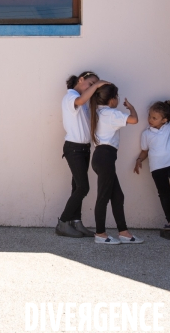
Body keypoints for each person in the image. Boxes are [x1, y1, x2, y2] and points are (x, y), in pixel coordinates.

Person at [56, 71, 109, 238]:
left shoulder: (84, 100)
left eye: (94, 85)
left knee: (76, 187)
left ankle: (76, 222)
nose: (92, 87)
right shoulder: (71, 96)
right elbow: (80, 100)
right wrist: (98, 86)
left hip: (84, 148)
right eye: (90, 83)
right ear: (81, 80)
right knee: (83, 187)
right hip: (74, 149)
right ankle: (63, 223)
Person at [89, 83, 142, 244]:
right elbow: (134, 120)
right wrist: (131, 108)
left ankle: (123, 232)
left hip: (101, 157)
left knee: (117, 196)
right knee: (103, 197)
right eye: (117, 97)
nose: (118, 99)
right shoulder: (112, 114)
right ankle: (100, 234)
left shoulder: (97, 112)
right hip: (106, 157)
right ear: (112, 99)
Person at [134, 99, 170, 230]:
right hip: (157, 168)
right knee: (164, 194)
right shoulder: (146, 133)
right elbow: (144, 151)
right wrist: (138, 160)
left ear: (164, 120)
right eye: (150, 116)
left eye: (154, 118)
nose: (150, 119)